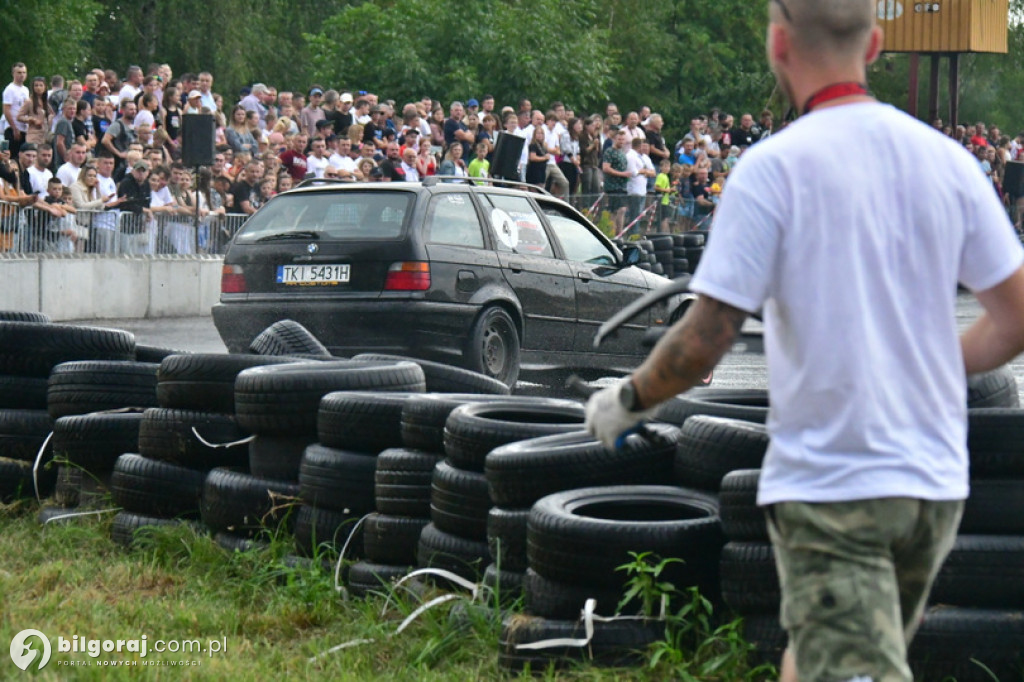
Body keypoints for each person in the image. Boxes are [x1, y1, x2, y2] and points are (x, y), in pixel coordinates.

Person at [584, 2, 1024, 681]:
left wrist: (627, 399)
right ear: (875, 46)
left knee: (850, 670)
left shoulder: (772, 169)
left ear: (778, 45)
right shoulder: (949, 163)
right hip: (935, 482)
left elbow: (705, 339)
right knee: (820, 654)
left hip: (836, 481)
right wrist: (925, 368)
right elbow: (1016, 316)